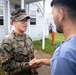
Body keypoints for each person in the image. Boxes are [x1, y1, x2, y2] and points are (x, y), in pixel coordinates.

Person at [29, 0, 76, 75]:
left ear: (61, 15)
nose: (53, 18)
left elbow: (64, 59)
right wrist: (42, 61)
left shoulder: (64, 54)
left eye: (53, 13)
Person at [0, 8, 38, 75]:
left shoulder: (28, 39)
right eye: (22, 20)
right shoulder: (7, 41)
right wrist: (27, 65)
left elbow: (32, 59)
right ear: (14, 23)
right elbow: (6, 65)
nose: (25, 23)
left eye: (26, 20)